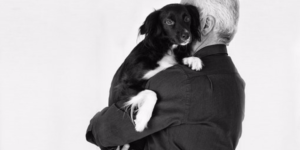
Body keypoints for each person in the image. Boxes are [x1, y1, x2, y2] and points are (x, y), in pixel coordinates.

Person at [86, 0, 245, 149]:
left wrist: (95, 124)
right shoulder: (235, 81)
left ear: (206, 25)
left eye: (188, 17)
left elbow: (103, 132)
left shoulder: (179, 81)